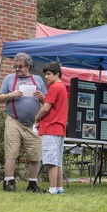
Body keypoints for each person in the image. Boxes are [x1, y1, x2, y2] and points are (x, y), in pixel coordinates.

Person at [0, 52, 47, 192]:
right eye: (15, 66)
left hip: (33, 124)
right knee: (11, 152)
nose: (17, 69)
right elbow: (0, 98)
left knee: (35, 154)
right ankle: (9, 181)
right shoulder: (9, 79)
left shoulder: (38, 80)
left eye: (20, 67)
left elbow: (47, 102)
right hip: (14, 120)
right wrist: (10, 95)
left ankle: (32, 184)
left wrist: (41, 96)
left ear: (28, 66)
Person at [34, 62, 68, 194]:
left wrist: (37, 118)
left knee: (50, 160)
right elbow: (54, 105)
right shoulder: (62, 87)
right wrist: (43, 98)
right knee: (58, 161)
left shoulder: (54, 87)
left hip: (50, 127)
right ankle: (59, 188)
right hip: (59, 128)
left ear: (57, 74)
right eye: (45, 74)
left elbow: (46, 108)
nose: (46, 77)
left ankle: (52, 189)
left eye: (49, 74)